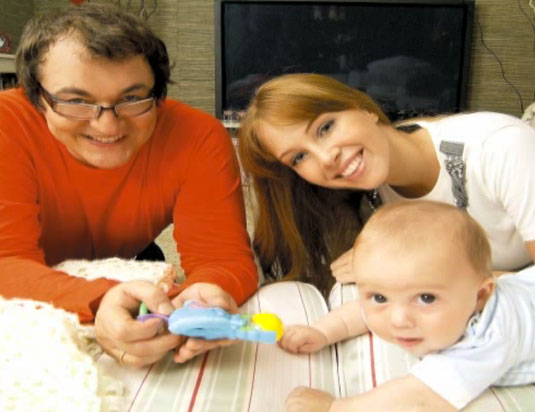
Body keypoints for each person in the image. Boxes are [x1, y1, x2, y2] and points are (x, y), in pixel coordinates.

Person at [0, 4, 258, 367]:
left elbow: (222, 259)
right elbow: (6, 261)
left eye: (133, 98)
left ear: (159, 93)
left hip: (124, 263)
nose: (107, 126)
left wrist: (202, 297)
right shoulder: (6, 124)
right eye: (76, 101)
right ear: (35, 95)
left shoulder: (199, 136)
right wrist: (100, 300)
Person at [237, 73, 535, 295]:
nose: (326, 158)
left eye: (325, 128)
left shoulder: (500, 147)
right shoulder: (367, 201)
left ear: (362, 108)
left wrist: (407, 272)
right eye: (299, 157)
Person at [281, 201, 535, 412]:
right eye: (380, 297)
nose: (399, 319)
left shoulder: (487, 338)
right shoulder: (416, 306)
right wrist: (322, 332)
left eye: (426, 298)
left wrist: (334, 407)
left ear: (480, 296)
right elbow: (361, 312)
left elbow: (420, 397)